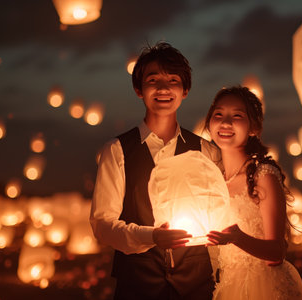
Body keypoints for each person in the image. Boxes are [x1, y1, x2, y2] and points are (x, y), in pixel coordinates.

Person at [90, 42, 218, 300]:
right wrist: (152, 236)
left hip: (196, 283)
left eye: (173, 80)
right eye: (153, 80)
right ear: (139, 89)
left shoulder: (205, 151)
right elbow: (103, 224)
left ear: (185, 90)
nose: (163, 88)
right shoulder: (117, 150)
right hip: (138, 283)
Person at [205, 86, 302, 300]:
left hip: (266, 286)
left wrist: (238, 238)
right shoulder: (214, 181)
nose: (226, 122)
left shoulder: (263, 176)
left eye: (237, 116)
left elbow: (277, 253)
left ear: (253, 128)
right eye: (218, 114)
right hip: (228, 287)